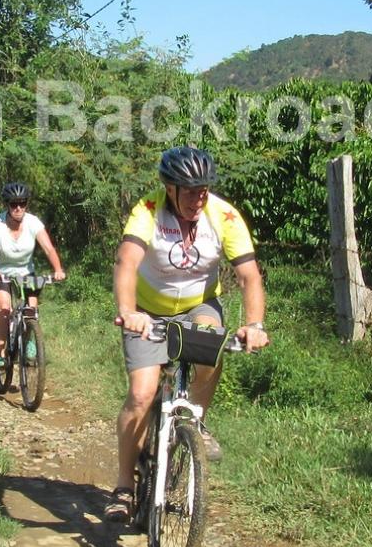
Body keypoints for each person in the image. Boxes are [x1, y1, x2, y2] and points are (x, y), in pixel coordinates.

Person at [106, 146, 268, 523]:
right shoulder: (148, 210)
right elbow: (127, 262)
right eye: (190, 189)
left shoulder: (223, 215)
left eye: (204, 189)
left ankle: (194, 420)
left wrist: (255, 325)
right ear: (170, 188)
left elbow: (249, 275)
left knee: (211, 344)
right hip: (147, 312)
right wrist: (128, 312)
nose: (199, 197)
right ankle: (124, 486)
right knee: (142, 393)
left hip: (199, 305)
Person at [0, 182, 66, 371]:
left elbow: (48, 248)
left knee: (31, 310)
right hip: (0, 271)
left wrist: (58, 269)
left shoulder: (33, 222)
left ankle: (29, 343)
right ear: (7, 205)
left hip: (26, 272)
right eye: (13, 204)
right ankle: (1, 353)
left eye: (22, 203)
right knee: (4, 307)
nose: (18, 208)